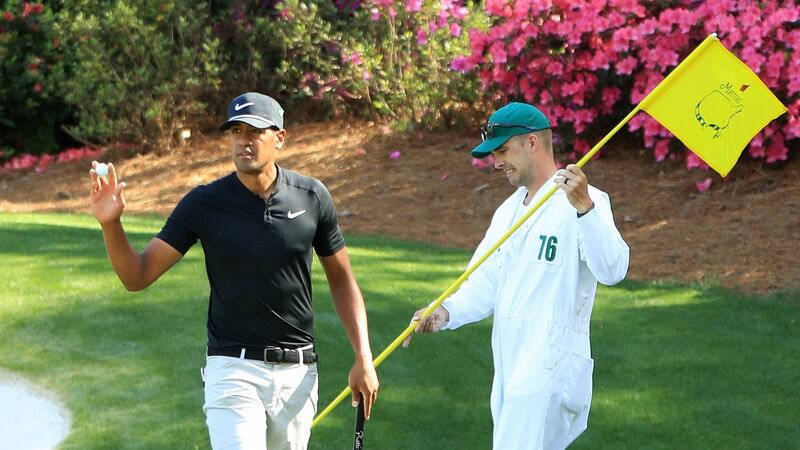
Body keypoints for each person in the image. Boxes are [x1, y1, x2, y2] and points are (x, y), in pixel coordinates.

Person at [89, 92, 379, 449]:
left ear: (280, 138)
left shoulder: (311, 197)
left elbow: (342, 281)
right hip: (233, 368)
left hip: (298, 373)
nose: (244, 140)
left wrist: (363, 357)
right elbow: (137, 275)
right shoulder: (205, 204)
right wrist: (111, 225)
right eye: (236, 131)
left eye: (255, 131)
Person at [402, 102, 629, 449]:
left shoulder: (585, 201)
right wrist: (444, 311)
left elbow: (613, 269)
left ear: (533, 143)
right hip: (510, 364)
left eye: (503, 150)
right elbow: (484, 282)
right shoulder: (507, 211)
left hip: (552, 366)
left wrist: (585, 209)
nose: (496, 162)